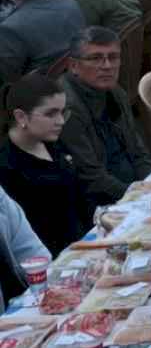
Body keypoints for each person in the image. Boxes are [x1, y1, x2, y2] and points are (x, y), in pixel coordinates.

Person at [59, 27, 151, 207]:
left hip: (133, 191)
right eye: (96, 58)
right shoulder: (67, 108)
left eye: (113, 57)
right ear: (73, 66)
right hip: (100, 203)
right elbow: (91, 177)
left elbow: (138, 154)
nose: (107, 66)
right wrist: (140, 198)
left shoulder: (116, 93)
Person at [0, 74, 91, 254]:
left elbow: (81, 199)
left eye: (63, 112)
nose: (61, 121)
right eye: (51, 114)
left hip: (87, 243)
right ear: (21, 117)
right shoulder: (6, 167)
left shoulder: (53, 142)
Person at [0, 0, 85, 84]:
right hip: (81, 81)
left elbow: (7, 80)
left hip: (40, 96)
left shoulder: (9, 28)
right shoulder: (71, 5)